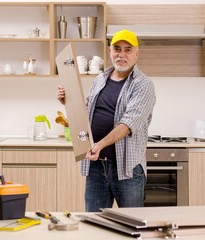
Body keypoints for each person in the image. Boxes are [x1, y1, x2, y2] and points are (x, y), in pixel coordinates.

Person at [57, 29, 156, 212]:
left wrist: (99, 145)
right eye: (117, 49)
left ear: (136, 53)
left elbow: (127, 124)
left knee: (132, 224)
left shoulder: (143, 85)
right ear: (110, 52)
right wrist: (68, 101)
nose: (121, 54)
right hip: (96, 166)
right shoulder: (100, 79)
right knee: (94, 223)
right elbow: (86, 113)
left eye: (128, 49)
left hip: (127, 168)